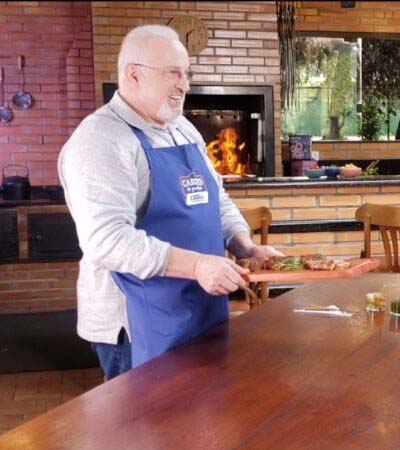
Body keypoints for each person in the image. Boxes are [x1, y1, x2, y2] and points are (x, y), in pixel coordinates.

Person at [58, 25, 282, 379]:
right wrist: (197, 267)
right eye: (173, 73)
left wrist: (244, 245)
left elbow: (216, 199)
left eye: (187, 74)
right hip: (137, 324)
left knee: (204, 422)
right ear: (133, 74)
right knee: (145, 431)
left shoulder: (182, 128)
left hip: (200, 309)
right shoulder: (100, 140)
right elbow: (107, 240)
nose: (185, 85)